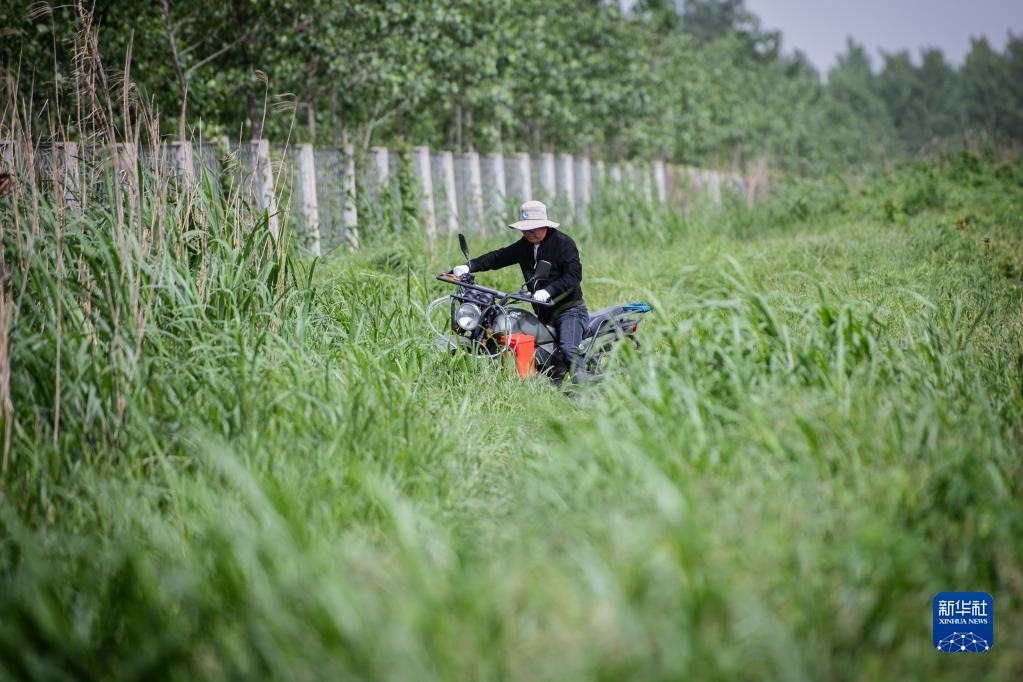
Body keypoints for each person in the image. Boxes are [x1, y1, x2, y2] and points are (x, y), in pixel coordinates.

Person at [452, 200, 589, 380]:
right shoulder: (525, 245)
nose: (528, 233)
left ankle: (586, 390)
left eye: (532, 229)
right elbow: (499, 257)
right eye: (525, 229)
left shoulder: (563, 244)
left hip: (569, 311)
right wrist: (469, 266)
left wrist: (548, 291)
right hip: (544, 313)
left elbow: (573, 276)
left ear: (544, 225)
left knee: (568, 349)